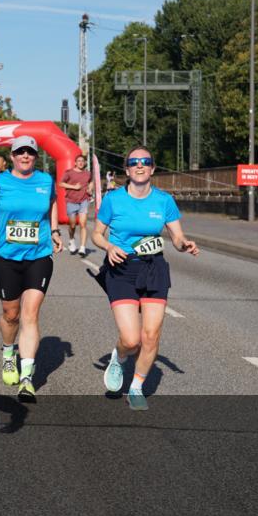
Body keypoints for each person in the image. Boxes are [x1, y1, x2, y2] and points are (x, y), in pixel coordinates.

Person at [91, 146, 199, 411]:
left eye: (145, 161)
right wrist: (108, 247)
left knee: (151, 335)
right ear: (127, 170)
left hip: (154, 269)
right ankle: (119, 357)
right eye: (134, 162)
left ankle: (136, 386)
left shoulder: (163, 201)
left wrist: (184, 243)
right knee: (131, 339)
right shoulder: (113, 200)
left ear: (152, 168)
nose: (140, 165)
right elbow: (96, 233)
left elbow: (175, 237)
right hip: (122, 268)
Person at [0, 136, 63, 402]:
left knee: (30, 314)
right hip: (5, 256)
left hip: (39, 255)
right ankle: (7, 352)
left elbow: (52, 203)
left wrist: (56, 229)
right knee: (10, 314)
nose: (25, 156)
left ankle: (27, 378)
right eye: (20, 152)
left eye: (30, 152)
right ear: (12, 156)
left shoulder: (45, 180)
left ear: (35, 156)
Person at [59, 154, 93, 256]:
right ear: (75, 163)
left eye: (82, 161)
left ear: (85, 162)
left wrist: (90, 189)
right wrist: (73, 187)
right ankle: (71, 239)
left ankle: (82, 247)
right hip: (71, 201)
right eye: (78, 161)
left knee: (83, 224)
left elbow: (90, 182)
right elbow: (61, 183)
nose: (81, 162)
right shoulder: (69, 173)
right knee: (73, 225)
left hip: (83, 200)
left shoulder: (88, 173)